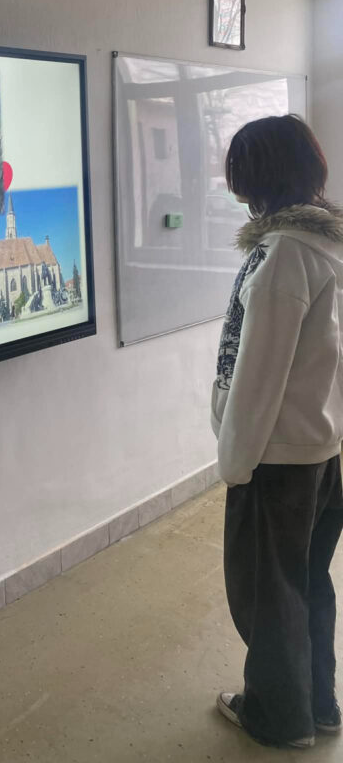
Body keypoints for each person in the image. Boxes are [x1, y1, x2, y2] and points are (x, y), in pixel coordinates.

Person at [212, 114, 343, 749]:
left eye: (237, 171)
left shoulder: (285, 253)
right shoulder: (329, 243)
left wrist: (235, 462)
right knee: (308, 580)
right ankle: (319, 704)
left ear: (256, 177)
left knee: (268, 594)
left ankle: (278, 716)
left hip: (278, 458)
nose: (233, 185)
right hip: (323, 449)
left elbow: (258, 373)